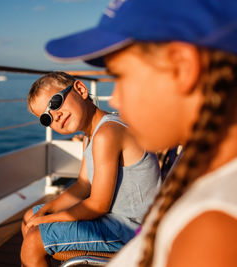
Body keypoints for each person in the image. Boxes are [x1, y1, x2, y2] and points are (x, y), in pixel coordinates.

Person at [44, 0, 237, 266]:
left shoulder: (212, 231)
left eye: (121, 76)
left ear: (182, 67)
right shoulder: (202, 174)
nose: (115, 100)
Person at [20, 71, 161, 267]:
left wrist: (46, 221)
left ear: (80, 89)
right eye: (46, 118)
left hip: (131, 229)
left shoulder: (107, 134)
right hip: (115, 220)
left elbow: (97, 206)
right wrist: (44, 212)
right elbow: (83, 185)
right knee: (30, 217)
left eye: (55, 103)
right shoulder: (92, 134)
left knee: (34, 240)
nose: (55, 115)